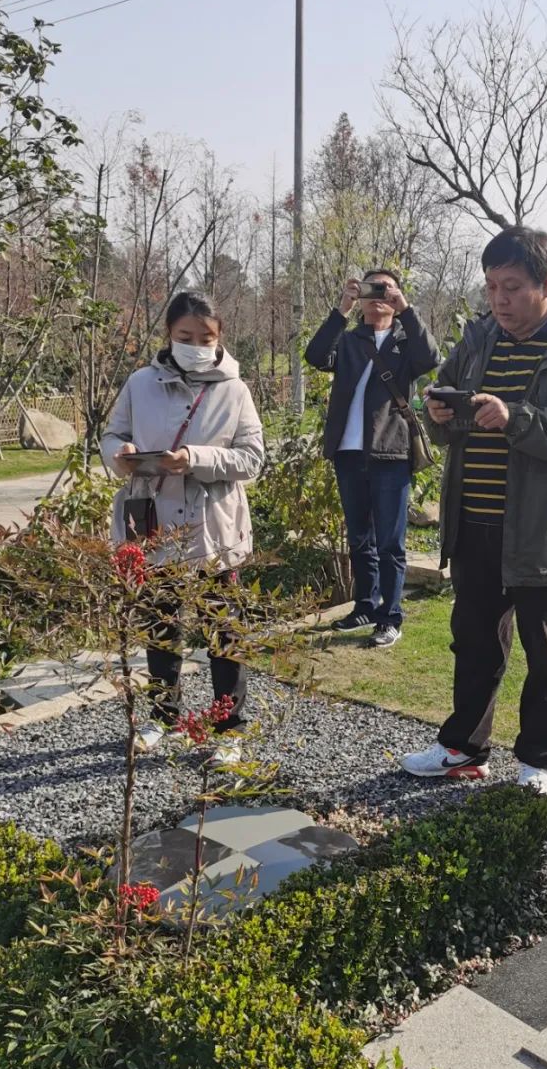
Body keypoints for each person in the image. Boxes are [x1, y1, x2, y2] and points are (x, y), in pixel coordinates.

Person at [401, 226, 547, 795]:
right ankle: (464, 748)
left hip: (546, 529)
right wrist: (438, 412)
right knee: (474, 642)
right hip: (474, 522)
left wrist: (515, 418)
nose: (499, 300)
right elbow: (445, 395)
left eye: (512, 287)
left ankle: (539, 762)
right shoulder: (480, 338)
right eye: (491, 287)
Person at [102, 289, 265, 765]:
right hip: (154, 524)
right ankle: (163, 716)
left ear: (220, 336)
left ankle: (229, 726)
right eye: (185, 336)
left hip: (214, 529)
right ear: (169, 335)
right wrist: (119, 455)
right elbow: (113, 434)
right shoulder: (140, 384)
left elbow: (252, 458)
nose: (196, 345)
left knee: (223, 631)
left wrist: (195, 458)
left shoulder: (234, 390)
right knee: (160, 625)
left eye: (206, 337)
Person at [305, 268, 439, 648]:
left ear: (397, 297)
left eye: (386, 289)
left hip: (390, 451)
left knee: (390, 542)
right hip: (347, 452)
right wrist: (342, 309)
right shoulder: (350, 341)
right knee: (359, 538)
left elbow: (430, 357)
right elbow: (316, 355)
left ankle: (390, 616)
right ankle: (364, 606)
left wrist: (406, 310)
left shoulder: (405, 341)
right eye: (371, 289)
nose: (378, 295)